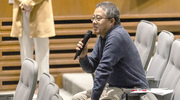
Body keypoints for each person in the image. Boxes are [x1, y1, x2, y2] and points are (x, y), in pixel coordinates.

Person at [73, 1, 148, 100]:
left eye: (98, 18)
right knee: (77, 98)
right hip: (113, 86)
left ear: (111, 21)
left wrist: (94, 99)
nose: (94, 21)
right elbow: (90, 68)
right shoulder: (103, 36)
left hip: (130, 90)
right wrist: (83, 57)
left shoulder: (116, 37)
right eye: (93, 18)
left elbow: (103, 70)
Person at [11, 0, 55, 80]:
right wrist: (23, 4)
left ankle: (42, 85)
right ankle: (27, 85)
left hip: (41, 11)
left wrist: (29, 3)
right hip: (21, 11)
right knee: (25, 51)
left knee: (42, 52)